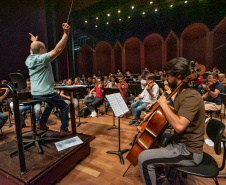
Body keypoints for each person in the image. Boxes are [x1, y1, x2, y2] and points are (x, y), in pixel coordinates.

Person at [138, 57, 205, 185]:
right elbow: (175, 114)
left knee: (143, 158)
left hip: (189, 151)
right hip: (179, 141)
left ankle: (160, 171)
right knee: (155, 137)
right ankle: (166, 174)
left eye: (168, 75)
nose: (165, 78)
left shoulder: (191, 96)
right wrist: (153, 114)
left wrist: (163, 104)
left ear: (178, 75)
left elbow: (179, 126)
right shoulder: (181, 94)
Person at [25, 23, 71, 137]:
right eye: (45, 48)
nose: (46, 50)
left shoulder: (29, 59)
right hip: (46, 92)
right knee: (64, 106)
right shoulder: (42, 59)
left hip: (35, 93)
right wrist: (66, 34)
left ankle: (42, 123)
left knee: (50, 104)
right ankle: (64, 129)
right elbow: (58, 50)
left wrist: (34, 42)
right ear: (41, 50)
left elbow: (32, 50)